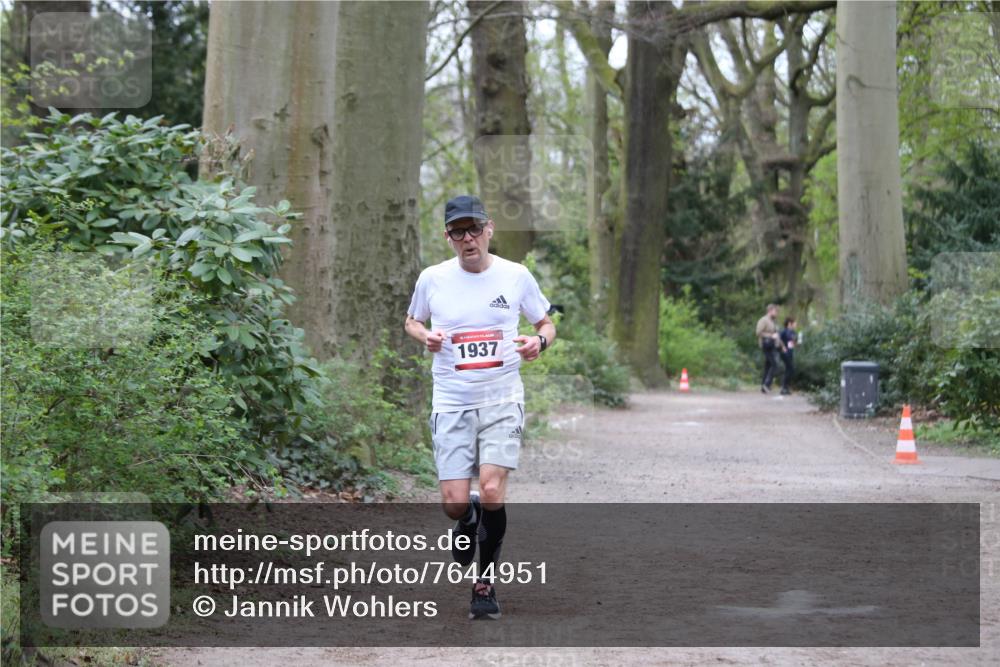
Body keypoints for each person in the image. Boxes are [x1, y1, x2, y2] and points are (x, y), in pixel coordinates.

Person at [404, 195, 556, 620]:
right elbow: (412, 320)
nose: (467, 238)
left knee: (492, 490)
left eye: (474, 229)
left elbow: (546, 322)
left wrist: (538, 341)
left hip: (502, 398)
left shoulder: (516, 276)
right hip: (451, 399)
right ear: (448, 237)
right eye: (458, 231)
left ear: (489, 229)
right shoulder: (433, 278)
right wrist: (425, 337)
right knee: (454, 504)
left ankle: (485, 582)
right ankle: (466, 514)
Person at [755, 303, 786, 394]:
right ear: (770, 311)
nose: (777, 313)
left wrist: (782, 345)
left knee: (768, 366)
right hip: (766, 345)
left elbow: (777, 335)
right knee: (774, 364)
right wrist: (770, 335)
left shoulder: (773, 322)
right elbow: (758, 332)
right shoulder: (763, 320)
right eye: (775, 311)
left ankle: (763, 386)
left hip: (773, 345)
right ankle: (767, 384)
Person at [778, 317, 798, 395]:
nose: (796, 324)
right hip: (784, 353)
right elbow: (778, 339)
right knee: (790, 369)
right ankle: (784, 388)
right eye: (794, 323)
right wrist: (782, 346)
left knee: (789, 370)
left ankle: (785, 387)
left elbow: (792, 343)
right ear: (790, 323)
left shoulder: (793, 332)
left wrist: (796, 343)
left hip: (790, 353)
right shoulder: (784, 331)